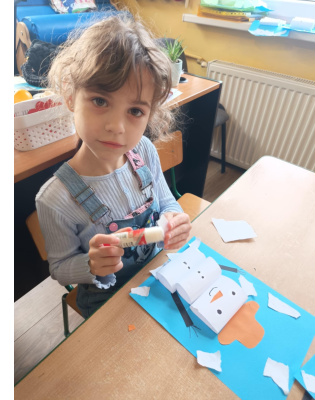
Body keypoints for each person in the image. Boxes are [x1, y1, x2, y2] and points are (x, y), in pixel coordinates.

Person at [35, 14, 192, 318]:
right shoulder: (54, 199)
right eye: (100, 101)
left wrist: (173, 220)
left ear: (150, 115)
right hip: (106, 303)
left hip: (156, 279)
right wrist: (91, 264)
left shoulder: (144, 150)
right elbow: (59, 268)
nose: (116, 127)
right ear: (70, 95)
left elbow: (167, 202)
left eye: (135, 111)